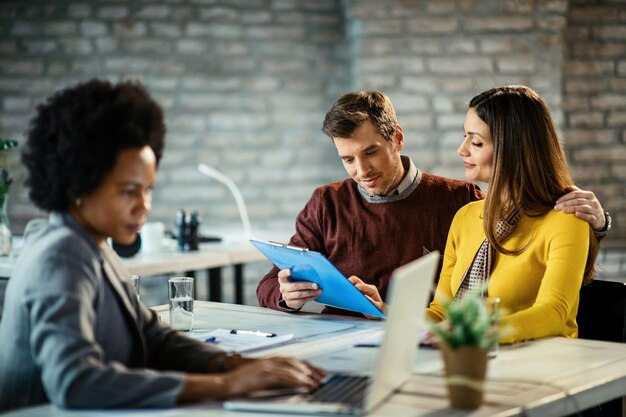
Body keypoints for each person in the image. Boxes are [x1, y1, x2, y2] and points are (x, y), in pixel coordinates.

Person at [0, 79, 325, 412]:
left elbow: (153, 336)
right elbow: (76, 382)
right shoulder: (61, 255)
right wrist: (227, 384)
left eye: (148, 190)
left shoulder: (90, 245)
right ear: (78, 185)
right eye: (129, 191)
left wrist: (233, 365)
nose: (144, 206)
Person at [257, 91, 609, 317]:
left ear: (397, 138)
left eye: (370, 153)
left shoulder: (461, 202)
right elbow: (271, 283)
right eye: (347, 159)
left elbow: (527, 249)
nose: (360, 171)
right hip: (365, 340)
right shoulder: (326, 203)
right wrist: (288, 295)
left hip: (431, 344)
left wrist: (596, 225)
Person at [426, 85, 600, 344]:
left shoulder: (565, 219)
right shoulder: (465, 217)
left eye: (476, 142)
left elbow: (555, 312)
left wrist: (483, 332)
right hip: (470, 356)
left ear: (513, 149)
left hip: (542, 364)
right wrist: (391, 319)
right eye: (465, 137)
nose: (462, 150)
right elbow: (442, 312)